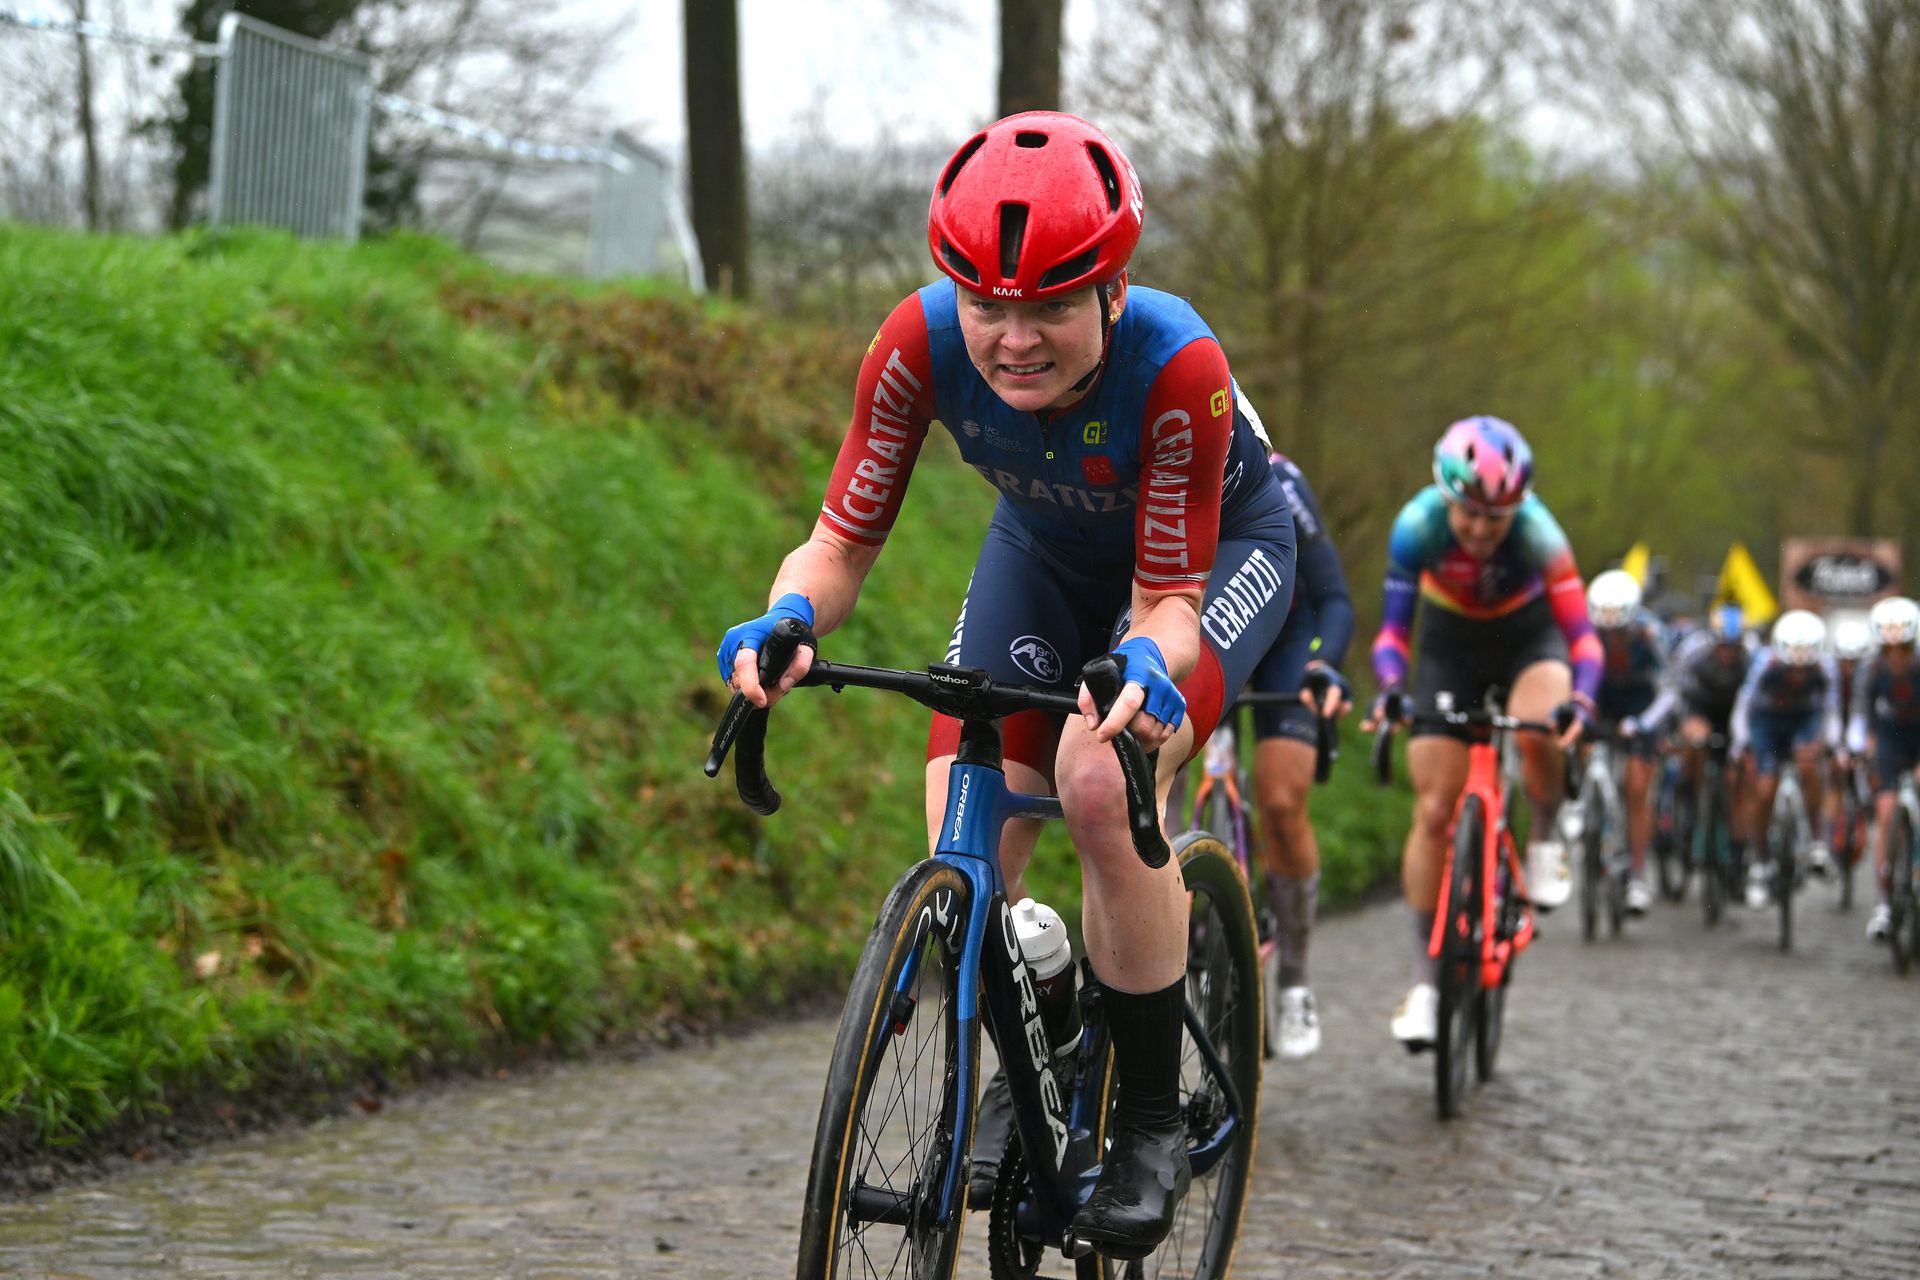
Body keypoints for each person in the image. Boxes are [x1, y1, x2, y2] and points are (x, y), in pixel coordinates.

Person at [716, 112, 1296, 1259]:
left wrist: (1142, 665)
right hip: (1041, 548)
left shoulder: (1178, 362)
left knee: (1095, 778)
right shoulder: (913, 344)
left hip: (1213, 559)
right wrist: (785, 617)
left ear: (1113, 294)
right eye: (986, 306)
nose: (1012, 339)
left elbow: (1170, 603)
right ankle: (1047, 1026)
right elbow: (836, 547)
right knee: (964, 825)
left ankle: (1142, 1122)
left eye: (1050, 309)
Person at [1362, 416, 1598, 1050]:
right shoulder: (1417, 527)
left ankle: (1545, 838)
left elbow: (1583, 640)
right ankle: (1426, 983)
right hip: (1450, 644)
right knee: (1435, 807)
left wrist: (1582, 700)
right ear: (1447, 496)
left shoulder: (1541, 535)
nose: (1480, 530)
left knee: (1539, 731)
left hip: (1529, 637)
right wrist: (1390, 687)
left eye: (1497, 519)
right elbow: (1393, 634)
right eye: (1468, 514)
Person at [1245, 450, 1354, 1059]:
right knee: (1150, 806)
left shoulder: (1282, 479)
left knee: (1282, 804)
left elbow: (1335, 597)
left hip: (1284, 642)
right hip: (1201, 623)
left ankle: (1294, 979)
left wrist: (1323, 663)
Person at [1731, 609, 1841, 909]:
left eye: (1804, 669)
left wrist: (1831, 742)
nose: (1797, 674)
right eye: (1792, 667)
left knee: (1808, 765)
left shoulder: (1825, 666)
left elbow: (1832, 710)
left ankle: (1818, 840)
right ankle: (1759, 857)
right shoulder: (1764, 663)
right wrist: (1741, 741)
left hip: (1805, 719)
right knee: (1764, 788)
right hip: (1767, 722)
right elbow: (1744, 706)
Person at [1585, 569, 1674, 915]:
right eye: (1606, 631)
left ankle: (1638, 875)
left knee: (1637, 789)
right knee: (1578, 735)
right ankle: (1581, 804)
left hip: (1641, 707)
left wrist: (1645, 722)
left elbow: (1669, 689)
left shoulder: (1651, 634)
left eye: (1619, 631)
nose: (1613, 636)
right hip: (1603, 699)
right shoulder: (1588, 629)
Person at [1851, 596, 1920, 941]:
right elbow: (1860, 715)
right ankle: (1885, 900)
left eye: (1904, 648)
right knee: (1886, 809)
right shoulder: (1870, 668)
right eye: (1889, 648)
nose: (1896, 656)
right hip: (1891, 735)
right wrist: (1860, 744)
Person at [1821, 613, 1875, 876]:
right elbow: (1830, 711)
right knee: (1833, 776)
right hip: (1834, 720)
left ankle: (1865, 813)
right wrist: (1838, 749)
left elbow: (1861, 713)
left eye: (1855, 662)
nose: (1849, 667)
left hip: (1861, 721)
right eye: (1845, 661)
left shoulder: (1870, 672)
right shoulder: (1828, 671)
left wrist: (1859, 748)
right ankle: (1828, 837)